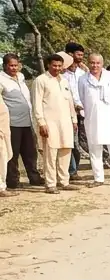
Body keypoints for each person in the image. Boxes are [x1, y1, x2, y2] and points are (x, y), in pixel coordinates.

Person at [76, 53, 110, 187]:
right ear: (89, 63)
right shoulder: (83, 79)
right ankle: (98, 178)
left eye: (97, 63)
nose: (95, 66)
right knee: (95, 148)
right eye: (92, 63)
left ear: (102, 64)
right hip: (93, 118)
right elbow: (81, 97)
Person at [32, 52, 77, 194]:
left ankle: (64, 181)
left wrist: (74, 119)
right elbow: (37, 103)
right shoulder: (41, 80)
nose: (57, 68)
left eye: (59, 66)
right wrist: (41, 122)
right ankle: (50, 183)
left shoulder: (64, 80)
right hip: (49, 122)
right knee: (50, 153)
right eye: (54, 65)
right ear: (48, 65)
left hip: (65, 122)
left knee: (66, 150)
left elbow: (70, 102)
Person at [1, 53, 42, 193]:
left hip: (27, 121)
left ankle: (34, 178)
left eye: (16, 65)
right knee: (12, 154)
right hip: (12, 123)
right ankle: (12, 181)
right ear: (5, 66)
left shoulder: (21, 77)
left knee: (30, 152)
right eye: (11, 65)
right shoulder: (1, 79)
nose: (14, 68)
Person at [62, 43, 86, 181]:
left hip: (82, 114)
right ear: (69, 55)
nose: (80, 57)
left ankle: (74, 169)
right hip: (67, 113)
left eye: (82, 55)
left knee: (79, 144)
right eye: (78, 54)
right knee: (70, 143)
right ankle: (71, 171)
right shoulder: (62, 75)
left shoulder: (83, 74)